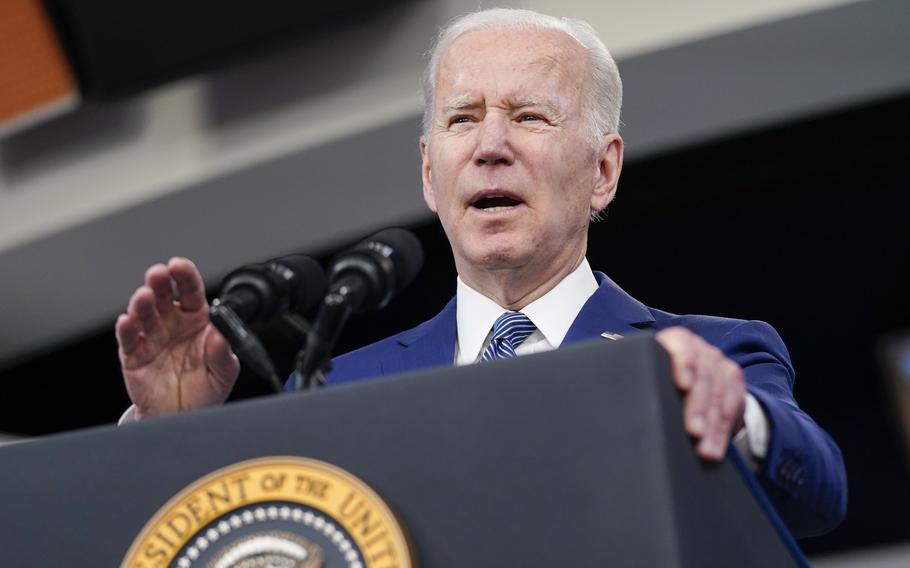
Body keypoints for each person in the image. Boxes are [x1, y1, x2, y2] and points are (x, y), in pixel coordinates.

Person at [115, 8, 846, 538]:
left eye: (529, 116)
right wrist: (174, 438)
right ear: (432, 174)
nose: (490, 145)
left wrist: (733, 411)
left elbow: (819, 496)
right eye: (463, 119)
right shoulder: (333, 386)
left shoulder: (707, 354)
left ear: (602, 170)